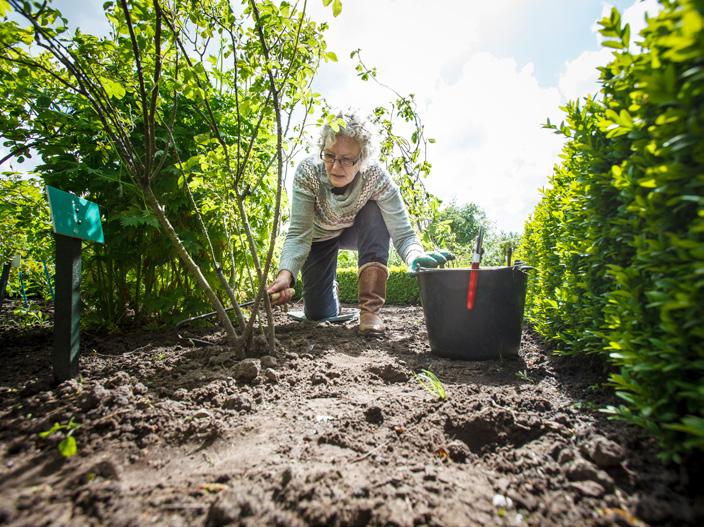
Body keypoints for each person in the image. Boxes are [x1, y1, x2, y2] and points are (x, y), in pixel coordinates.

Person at [267, 110, 453, 335]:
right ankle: (330, 290)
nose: (336, 167)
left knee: (375, 210)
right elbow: (298, 233)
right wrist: (285, 276)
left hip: (357, 230)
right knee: (318, 314)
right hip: (320, 237)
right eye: (329, 156)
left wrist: (415, 256)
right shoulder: (308, 172)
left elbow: (402, 232)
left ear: (362, 159)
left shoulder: (376, 178)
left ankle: (369, 313)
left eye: (347, 159)